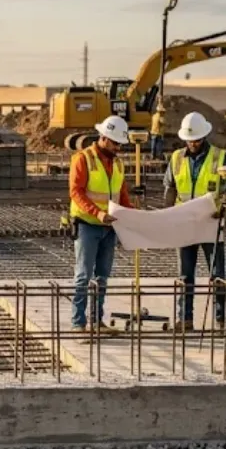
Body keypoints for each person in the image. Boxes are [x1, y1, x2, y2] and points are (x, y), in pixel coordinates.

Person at [163, 112, 226, 332]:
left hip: (211, 223)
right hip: (185, 224)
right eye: (189, 140)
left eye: (196, 139)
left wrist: (223, 210)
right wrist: (168, 215)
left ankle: (221, 320)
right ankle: (184, 319)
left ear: (204, 136)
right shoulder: (176, 158)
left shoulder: (220, 157)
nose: (192, 143)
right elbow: (170, 189)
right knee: (185, 275)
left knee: (218, 274)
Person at [69, 115, 134, 334]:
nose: (118, 148)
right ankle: (78, 323)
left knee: (102, 277)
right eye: (115, 143)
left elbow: (121, 194)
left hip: (109, 227)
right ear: (104, 137)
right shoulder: (83, 159)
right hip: (87, 225)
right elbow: (76, 192)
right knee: (83, 275)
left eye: (120, 144)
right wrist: (97, 213)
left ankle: (97, 321)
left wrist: (132, 215)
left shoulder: (117, 163)